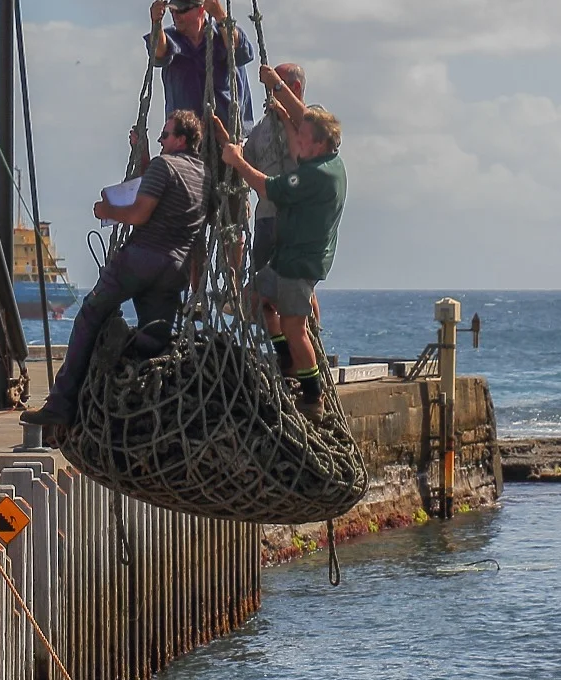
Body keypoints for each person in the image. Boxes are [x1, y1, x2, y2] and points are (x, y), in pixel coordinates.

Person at [23, 110, 208, 429]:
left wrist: (107, 210)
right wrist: (143, 153)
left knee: (90, 315)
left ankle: (61, 404)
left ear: (180, 139)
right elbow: (179, 212)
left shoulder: (165, 165)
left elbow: (139, 214)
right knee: (155, 340)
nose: (161, 140)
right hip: (174, 269)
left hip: (141, 258)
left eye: (165, 135)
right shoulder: (204, 175)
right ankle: (146, 411)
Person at [214, 104, 346, 419]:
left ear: (319, 144)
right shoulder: (328, 162)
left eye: (302, 136)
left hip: (299, 264)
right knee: (253, 299)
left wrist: (237, 160)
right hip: (284, 258)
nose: (295, 140)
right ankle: (286, 360)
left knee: (294, 327)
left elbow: (268, 188)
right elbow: (298, 146)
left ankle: (313, 397)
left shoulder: (316, 175)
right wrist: (285, 115)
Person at [148, 0, 254, 131]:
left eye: (182, 10)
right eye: (172, 11)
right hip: (186, 135)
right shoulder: (170, 38)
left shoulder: (222, 33)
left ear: (201, 10)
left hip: (228, 131)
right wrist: (156, 23)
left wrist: (220, 16)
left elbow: (240, 51)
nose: (176, 16)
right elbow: (158, 53)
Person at [243, 63, 306, 272]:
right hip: (266, 218)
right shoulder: (262, 127)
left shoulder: (313, 117)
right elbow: (245, 161)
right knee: (261, 281)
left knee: (294, 281)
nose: (271, 93)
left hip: (296, 217)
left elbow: (309, 126)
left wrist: (278, 89)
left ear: (295, 88)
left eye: (275, 87)